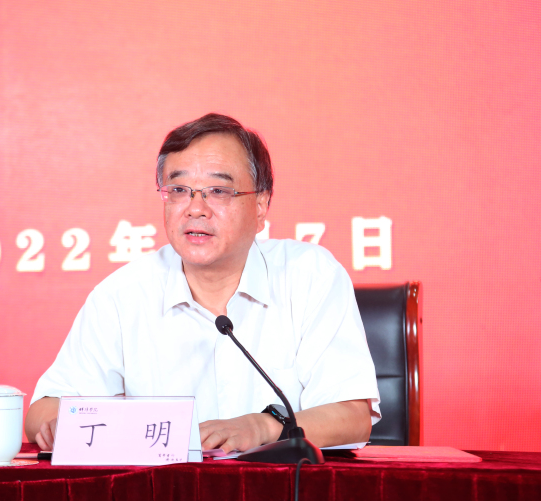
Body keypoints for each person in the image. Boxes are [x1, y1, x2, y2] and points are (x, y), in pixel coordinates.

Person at [25, 113, 380, 453]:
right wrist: (60, 425)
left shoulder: (310, 276)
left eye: (218, 191)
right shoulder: (122, 295)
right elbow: (43, 410)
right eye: (179, 189)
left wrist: (262, 426)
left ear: (260, 206)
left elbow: (352, 416)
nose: (195, 208)